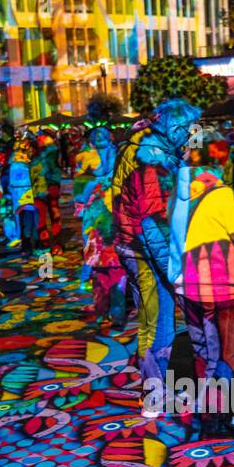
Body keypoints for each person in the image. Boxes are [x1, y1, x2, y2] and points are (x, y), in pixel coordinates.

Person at [112, 97, 202, 404]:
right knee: (157, 321)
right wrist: (173, 272)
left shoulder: (154, 151)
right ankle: (153, 391)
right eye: (187, 128)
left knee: (158, 319)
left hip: (137, 246)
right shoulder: (154, 161)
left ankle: (157, 385)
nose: (190, 133)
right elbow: (154, 224)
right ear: (174, 127)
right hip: (144, 251)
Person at [168, 136, 234, 438]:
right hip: (218, 282)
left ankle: (205, 412)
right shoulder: (221, 193)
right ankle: (215, 422)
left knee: (203, 351)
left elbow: (173, 237)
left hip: (185, 282)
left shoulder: (179, 191)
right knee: (225, 355)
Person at [74, 125, 127, 331]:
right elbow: (80, 195)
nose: (99, 137)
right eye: (96, 135)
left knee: (116, 267)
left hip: (115, 218)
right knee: (99, 268)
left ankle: (115, 312)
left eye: (103, 134)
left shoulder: (121, 157)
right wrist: (97, 184)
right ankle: (103, 310)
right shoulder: (84, 158)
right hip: (95, 221)